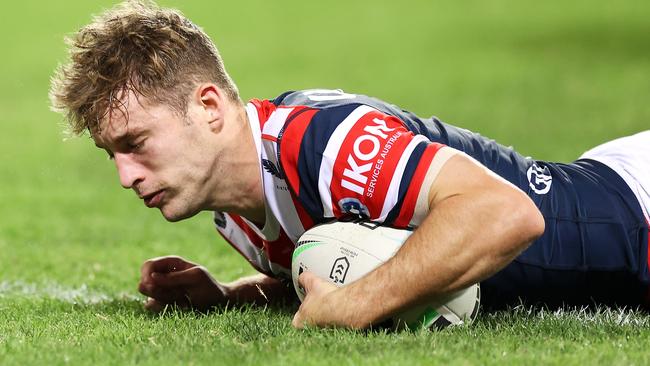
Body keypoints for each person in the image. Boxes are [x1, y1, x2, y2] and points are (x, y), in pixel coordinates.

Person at [49, 1, 649, 329]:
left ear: (208, 107)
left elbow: (507, 214)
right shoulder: (237, 207)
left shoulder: (327, 145)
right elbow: (350, 258)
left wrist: (358, 306)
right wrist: (235, 297)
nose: (125, 176)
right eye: (113, 155)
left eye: (136, 143)